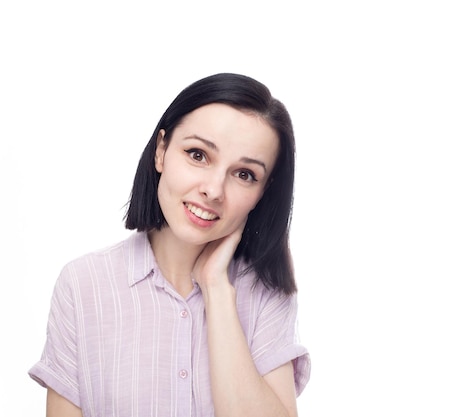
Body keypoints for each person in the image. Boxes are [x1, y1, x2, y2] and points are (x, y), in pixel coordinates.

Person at [28, 73, 311, 417]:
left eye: (244, 174)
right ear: (161, 151)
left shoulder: (266, 292)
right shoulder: (83, 284)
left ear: (262, 194)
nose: (214, 190)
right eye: (198, 154)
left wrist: (216, 288)